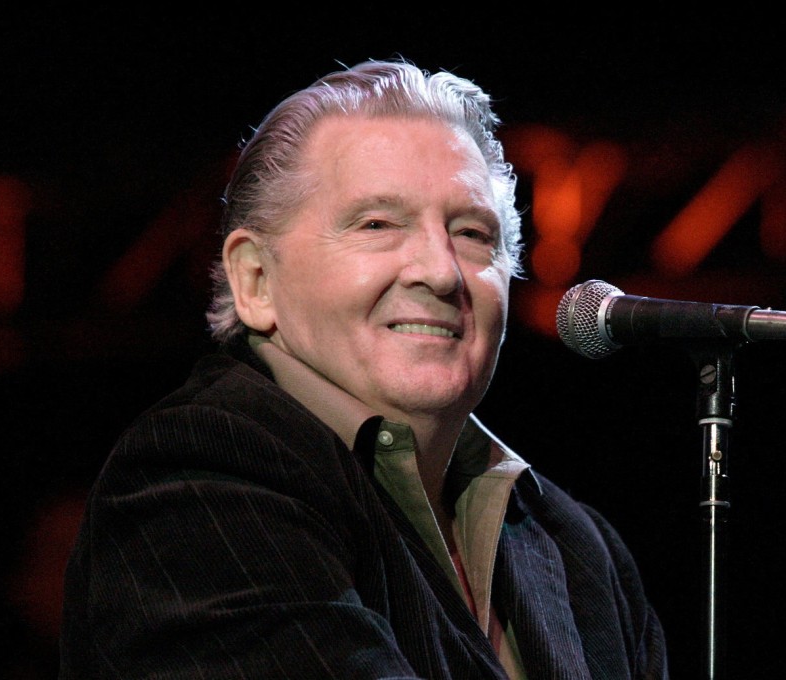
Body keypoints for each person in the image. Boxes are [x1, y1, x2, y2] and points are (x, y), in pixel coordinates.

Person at [59, 58, 669, 679]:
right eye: (378, 224)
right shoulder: (193, 475)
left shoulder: (580, 548)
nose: (440, 270)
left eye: (472, 233)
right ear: (255, 280)